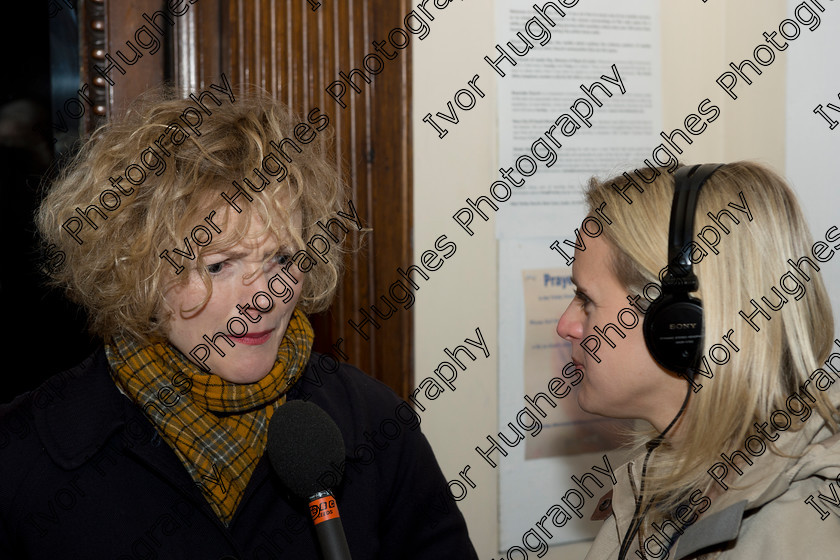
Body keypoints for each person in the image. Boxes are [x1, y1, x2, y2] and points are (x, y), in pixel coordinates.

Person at [0, 89, 478, 559]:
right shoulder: (24, 453)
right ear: (133, 267)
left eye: (281, 258)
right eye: (218, 265)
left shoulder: (375, 425)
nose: (262, 298)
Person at [555, 161, 840, 559]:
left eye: (586, 300)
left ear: (678, 325)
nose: (566, 325)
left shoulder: (806, 530)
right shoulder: (663, 483)